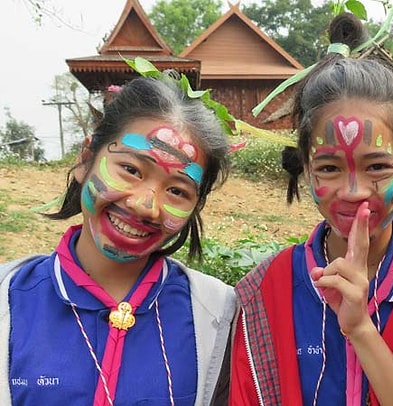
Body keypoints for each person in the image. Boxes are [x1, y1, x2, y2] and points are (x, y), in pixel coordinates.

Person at [220, 12, 393, 406]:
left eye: (377, 166)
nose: (353, 191)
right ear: (307, 166)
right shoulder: (266, 290)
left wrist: (361, 329)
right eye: (329, 167)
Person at [0, 72, 237, 405]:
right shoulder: (7, 300)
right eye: (131, 169)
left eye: (176, 190)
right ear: (86, 159)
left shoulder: (217, 313)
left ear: (196, 205)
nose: (145, 205)